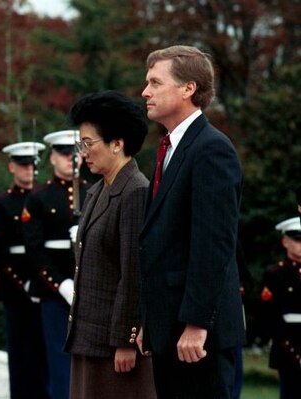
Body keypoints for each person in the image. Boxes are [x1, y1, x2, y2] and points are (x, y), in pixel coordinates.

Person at [138, 45, 245, 398]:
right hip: (171, 329)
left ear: (188, 89)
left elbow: (213, 245)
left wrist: (197, 324)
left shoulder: (211, 149)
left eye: (155, 82)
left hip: (198, 338)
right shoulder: (172, 148)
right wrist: (150, 323)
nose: (145, 92)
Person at [64, 91, 155, 399]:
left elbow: (133, 273)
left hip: (115, 348)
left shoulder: (135, 192)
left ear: (117, 143)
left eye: (88, 144)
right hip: (90, 338)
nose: (83, 153)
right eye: (81, 144)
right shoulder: (99, 190)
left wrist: (126, 341)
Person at [22, 130, 87, 399]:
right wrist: (60, 284)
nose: (71, 158)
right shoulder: (39, 197)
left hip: (89, 288)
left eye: (76, 151)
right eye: (64, 153)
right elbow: (34, 249)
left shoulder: (94, 191)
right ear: (52, 158)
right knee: (59, 359)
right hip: (54, 290)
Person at [0, 141, 51, 399]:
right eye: (23, 165)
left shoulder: (45, 199)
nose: (29, 171)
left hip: (45, 286)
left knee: (45, 353)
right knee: (21, 355)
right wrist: (22, 283)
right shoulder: (1, 204)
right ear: (12, 167)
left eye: (33, 165)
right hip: (16, 290)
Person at [259, 216, 301, 399]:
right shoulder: (276, 274)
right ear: (285, 241)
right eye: (297, 240)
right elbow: (269, 315)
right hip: (287, 344)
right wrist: (287, 346)